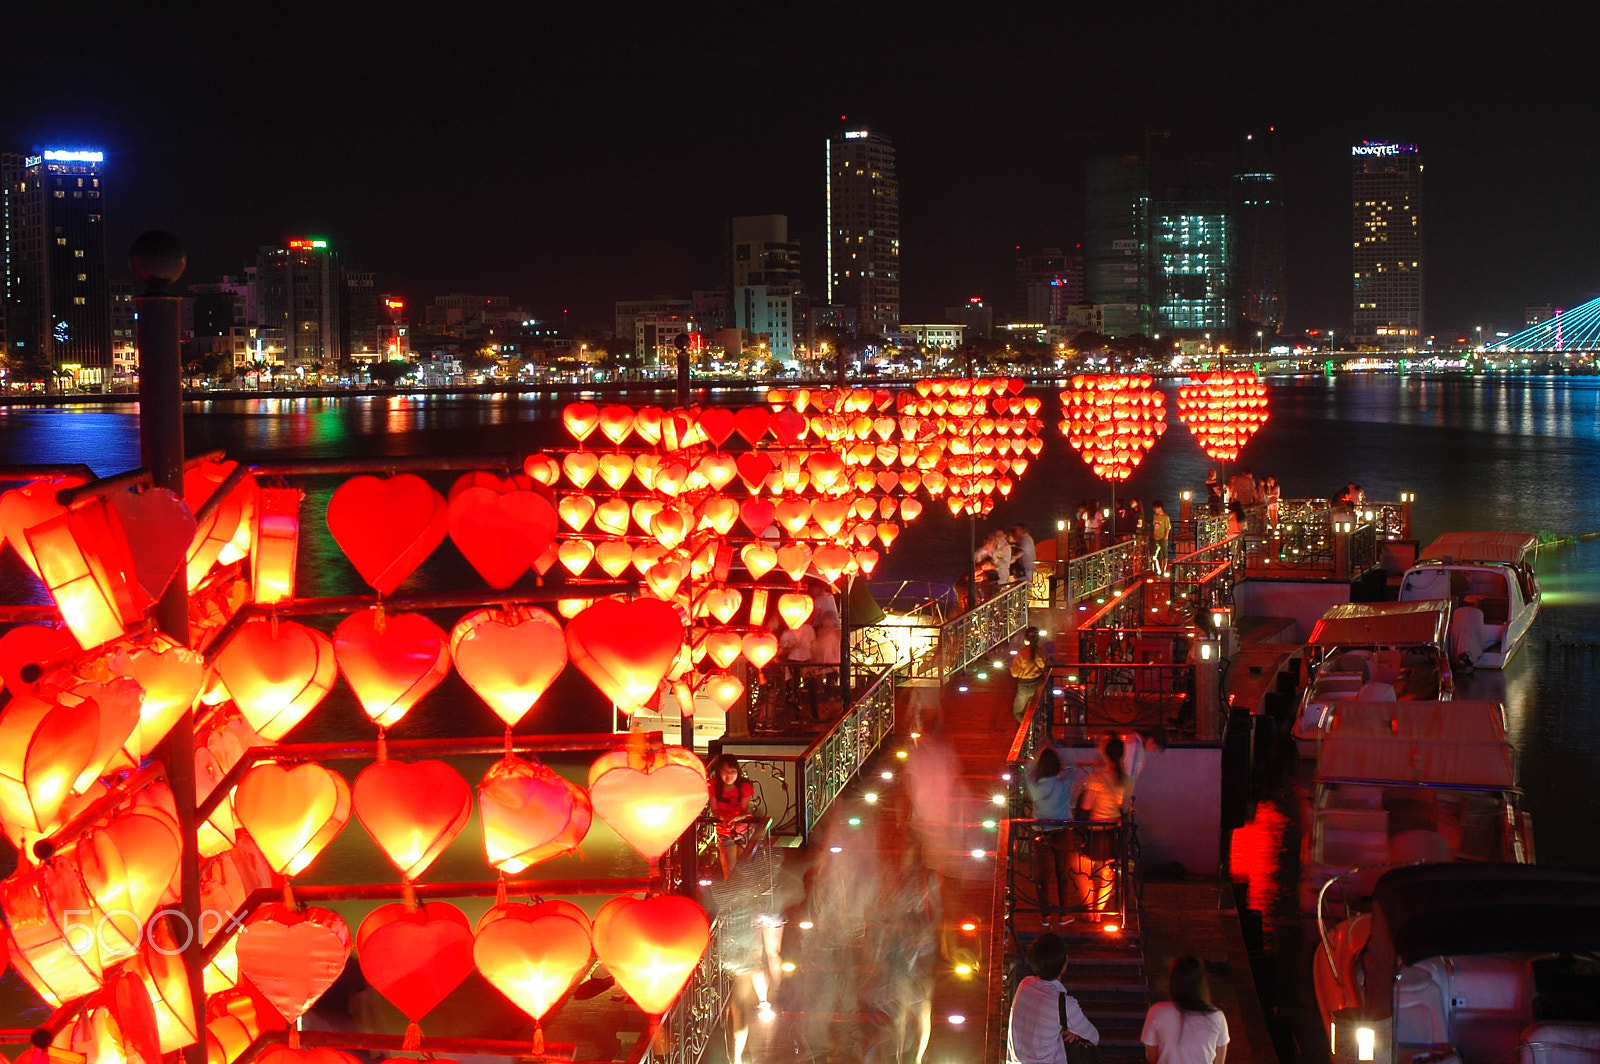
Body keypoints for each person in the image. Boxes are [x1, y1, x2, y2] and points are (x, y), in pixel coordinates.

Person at [1007, 932, 1100, 1063]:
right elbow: (1093, 1037)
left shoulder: (1025, 984)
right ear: (1064, 964)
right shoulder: (1064, 1004)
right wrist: (1076, 1033)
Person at [1070, 736, 1130, 918]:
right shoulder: (1125, 779)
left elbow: (1086, 806)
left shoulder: (1097, 777)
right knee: (1107, 873)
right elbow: (1126, 807)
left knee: (1081, 869)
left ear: (1105, 754)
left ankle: (1091, 910)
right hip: (1114, 830)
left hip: (1095, 830)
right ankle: (1100, 911)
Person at [1140, 955, 1230, 1064]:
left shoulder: (1157, 1011)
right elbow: (1219, 1061)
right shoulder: (1217, 1017)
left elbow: (1152, 1057)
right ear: (1201, 984)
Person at [1026, 747, 1077, 918]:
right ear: (1057, 766)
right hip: (1062, 830)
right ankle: (1063, 913)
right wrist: (1061, 754)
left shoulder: (1034, 786)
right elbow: (1073, 769)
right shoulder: (1063, 783)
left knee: (1042, 876)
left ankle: (1045, 915)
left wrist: (1036, 758)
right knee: (1062, 874)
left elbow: (1027, 770)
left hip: (1040, 830)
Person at [710, 755, 759, 879]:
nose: (729, 775)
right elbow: (715, 810)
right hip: (724, 829)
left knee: (744, 867)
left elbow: (744, 810)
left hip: (744, 829)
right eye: (725, 771)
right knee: (729, 870)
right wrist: (724, 818)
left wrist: (735, 818)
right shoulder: (713, 786)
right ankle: (732, 895)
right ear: (719, 772)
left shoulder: (744, 786)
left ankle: (745, 895)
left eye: (732, 771)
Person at [1011, 626, 1048, 722]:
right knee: (1034, 710)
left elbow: (1014, 673)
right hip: (1038, 684)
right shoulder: (1042, 652)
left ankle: (1028, 728)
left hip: (1024, 686)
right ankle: (1036, 726)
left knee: (1017, 712)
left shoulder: (1022, 653)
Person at [1150, 500, 1172, 576]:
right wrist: (1153, 534)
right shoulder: (1155, 516)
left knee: (1164, 555)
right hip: (1155, 537)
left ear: (1160, 508)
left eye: (1155, 508)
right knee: (1153, 555)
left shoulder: (1166, 517)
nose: (1154, 510)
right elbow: (1154, 526)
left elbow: (1167, 528)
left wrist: (1165, 538)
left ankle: (1163, 571)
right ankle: (1157, 569)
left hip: (1162, 538)